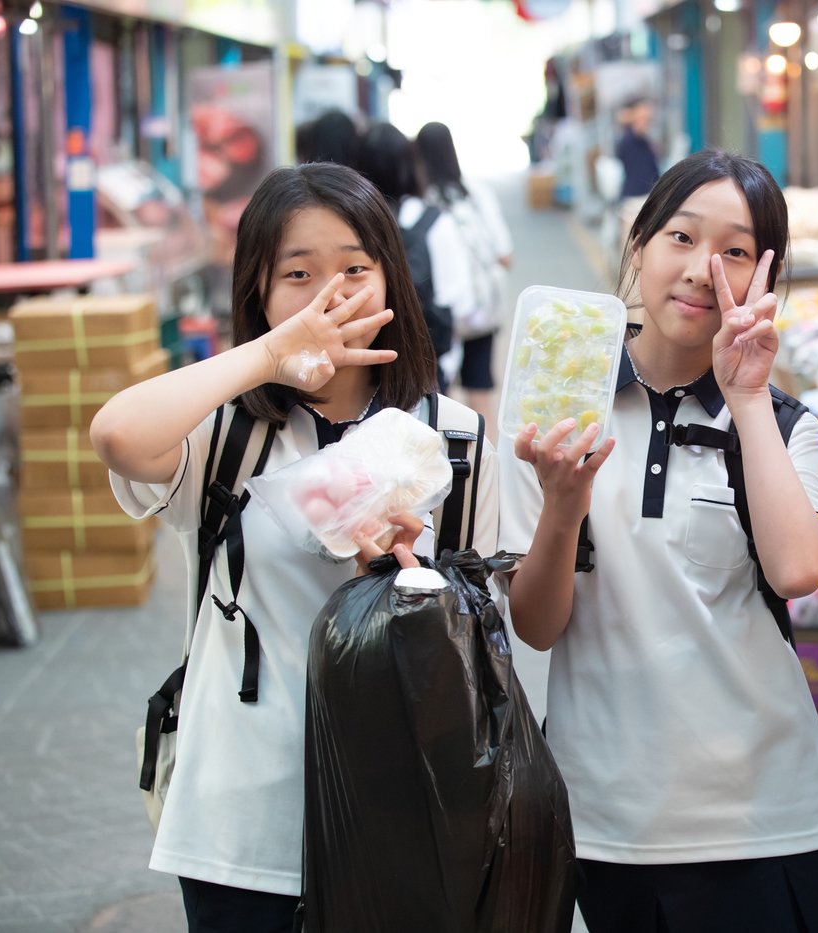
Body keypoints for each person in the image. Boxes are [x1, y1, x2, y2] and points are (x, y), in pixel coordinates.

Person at [89, 162, 499, 932]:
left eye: (354, 268)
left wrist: (412, 584)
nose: (331, 294)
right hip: (241, 824)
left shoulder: (454, 437)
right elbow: (115, 434)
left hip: (408, 818)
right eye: (297, 274)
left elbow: (489, 631)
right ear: (258, 291)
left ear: (391, 279)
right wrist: (269, 356)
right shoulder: (224, 436)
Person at [499, 149, 818, 933]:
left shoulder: (788, 425)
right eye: (682, 239)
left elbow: (798, 569)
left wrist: (747, 395)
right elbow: (536, 624)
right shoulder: (556, 409)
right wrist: (561, 507)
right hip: (606, 818)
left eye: (734, 251)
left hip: (765, 816)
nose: (702, 270)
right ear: (638, 248)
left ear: (767, 277)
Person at [357, 121, 476, 393]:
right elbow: (460, 302)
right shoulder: (433, 220)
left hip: (362, 366)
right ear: (411, 164)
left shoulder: (350, 222)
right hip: (428, 366)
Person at [416, 120, 513, 431]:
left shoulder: (421, 202)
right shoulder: (477, 193)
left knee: (442, 399)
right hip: (480, 313)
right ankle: (488, 466)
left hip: (439, 315)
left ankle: (453, 467)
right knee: (481, 392)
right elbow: (505, 254)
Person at [616, 97, 661, 199]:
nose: (646, 120)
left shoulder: (645, 141)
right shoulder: (628, 139)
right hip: (635, 197)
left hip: (648, 194)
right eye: (643, 117)